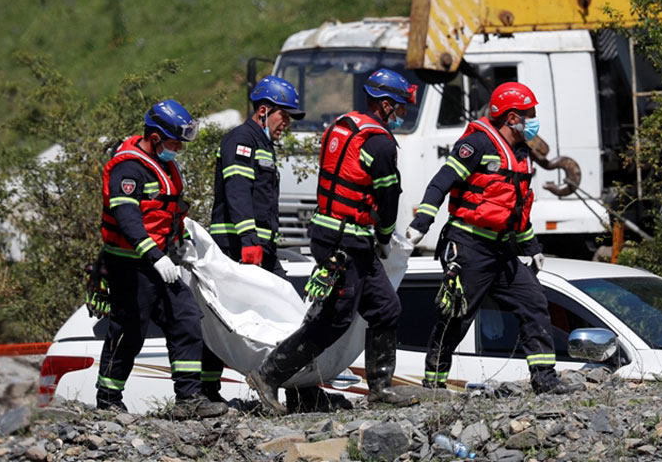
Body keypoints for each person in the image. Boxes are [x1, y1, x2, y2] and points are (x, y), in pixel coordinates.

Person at [245, 68, 418, 415]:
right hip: (345, 240)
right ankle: (268, 375)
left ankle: (380, 387)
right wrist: (386, 235)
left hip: (338, 236)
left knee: (386, 308)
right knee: (335, 320)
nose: (401, 114)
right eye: (399, 108)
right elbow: (388, 200)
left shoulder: (344, 126)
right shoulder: (380, 143)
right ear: (385, 105)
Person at [402, 82, 581, 395]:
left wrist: (533, 248)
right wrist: (422, 221)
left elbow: (517, 210)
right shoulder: (476, 144)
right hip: (470, 246)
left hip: (503, 251)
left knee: (534, 302)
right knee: (456, 315)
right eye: (530, 115)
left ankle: (545, 380)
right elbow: (440, 183)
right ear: (512, 117)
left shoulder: (521, 152)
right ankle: (434, 384)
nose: (534, 121)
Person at [201, 76, 350, 412]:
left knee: (290, 316)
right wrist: (248, 240)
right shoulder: (241, 140)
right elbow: (238, 194)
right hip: (236, 247)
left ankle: (302, 390)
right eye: (285, 116)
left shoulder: (263, 144)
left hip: (261, 250)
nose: (287, 123)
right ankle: (204, 391)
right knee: (222, 320)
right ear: (264, 111)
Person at [94, 99, 227, 419]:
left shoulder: (163, 163)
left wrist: (178, 245)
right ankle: (108, 399)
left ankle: (189, 398)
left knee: (186, 318)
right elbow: (126, 217)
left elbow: (166, 212)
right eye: (173, 141)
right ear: (155, 138)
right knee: (129, 330)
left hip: (159, 262)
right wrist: (155, 256)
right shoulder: (128, 168)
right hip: (129, 264)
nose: (179, 148)